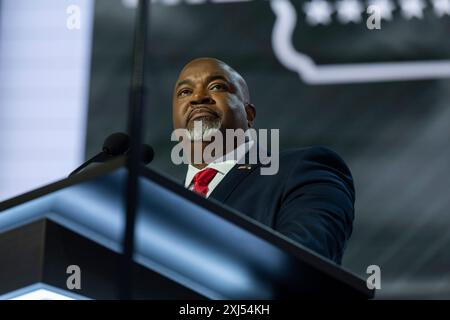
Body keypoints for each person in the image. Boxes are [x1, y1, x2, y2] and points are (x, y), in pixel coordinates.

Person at [172, 57, 354, 265]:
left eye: (217, 86)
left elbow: (302, 263)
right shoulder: (161, 206)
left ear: (249, 114)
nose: (198, 97)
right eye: (185, 92)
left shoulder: (303, 170)